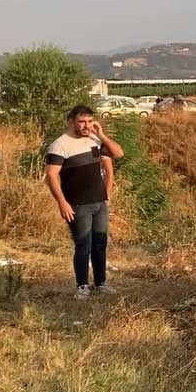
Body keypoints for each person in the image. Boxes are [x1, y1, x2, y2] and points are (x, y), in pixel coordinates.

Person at [45, 105, 125, 299]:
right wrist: (62, 203)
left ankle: (101, 283)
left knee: (100, 244)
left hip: (99, 203)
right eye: (82, 121)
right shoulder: (60, 145)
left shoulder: (95, 140)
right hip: (77, 205)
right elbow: (51, 175)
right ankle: (82, 286)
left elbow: (118, 154)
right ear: (71, 122)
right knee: (83, 245)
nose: (86, 125)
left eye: (89, 121)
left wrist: (102, 135)